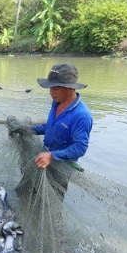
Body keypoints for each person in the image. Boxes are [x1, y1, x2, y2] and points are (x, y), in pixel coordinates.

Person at [7, 63, 93, 201]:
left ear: (70, 88)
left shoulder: (82, 115)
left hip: (60, 167)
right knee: (25, 193)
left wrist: (52, 156)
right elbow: (51, 126)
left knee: (50, 202)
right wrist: (30, 130)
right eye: (50, 88)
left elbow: (80, 148)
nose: (51, 92)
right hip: (42, 157)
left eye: (55, 88)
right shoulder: (57, 101)